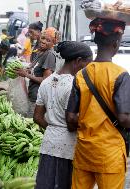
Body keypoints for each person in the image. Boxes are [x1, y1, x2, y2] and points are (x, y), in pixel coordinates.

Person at [66, 18, 130, 189]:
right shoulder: (121, 75)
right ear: (116, 44)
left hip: (84, 152)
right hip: (110, 154)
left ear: (96, 41)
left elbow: (71, 118)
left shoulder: (82, 74)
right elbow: (124, 118)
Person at [34, 41, 93, 189]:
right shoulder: (74, 85)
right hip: (68, 147)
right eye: (88, 64)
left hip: (49, 143)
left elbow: (37, 117)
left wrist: (54, 128)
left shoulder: (46, 82)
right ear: (78, 61)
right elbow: (71, 122)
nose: (89, 69)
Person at [16, 27, 60, 118]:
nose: (43, 41)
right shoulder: (41, 52)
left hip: (38, 98)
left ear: (53, 43)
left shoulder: (49, 55)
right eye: (43, 38)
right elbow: (33, 68)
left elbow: (46, 80)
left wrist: (26, 75)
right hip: (32, 94)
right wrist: (26, 70)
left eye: (48, 40)